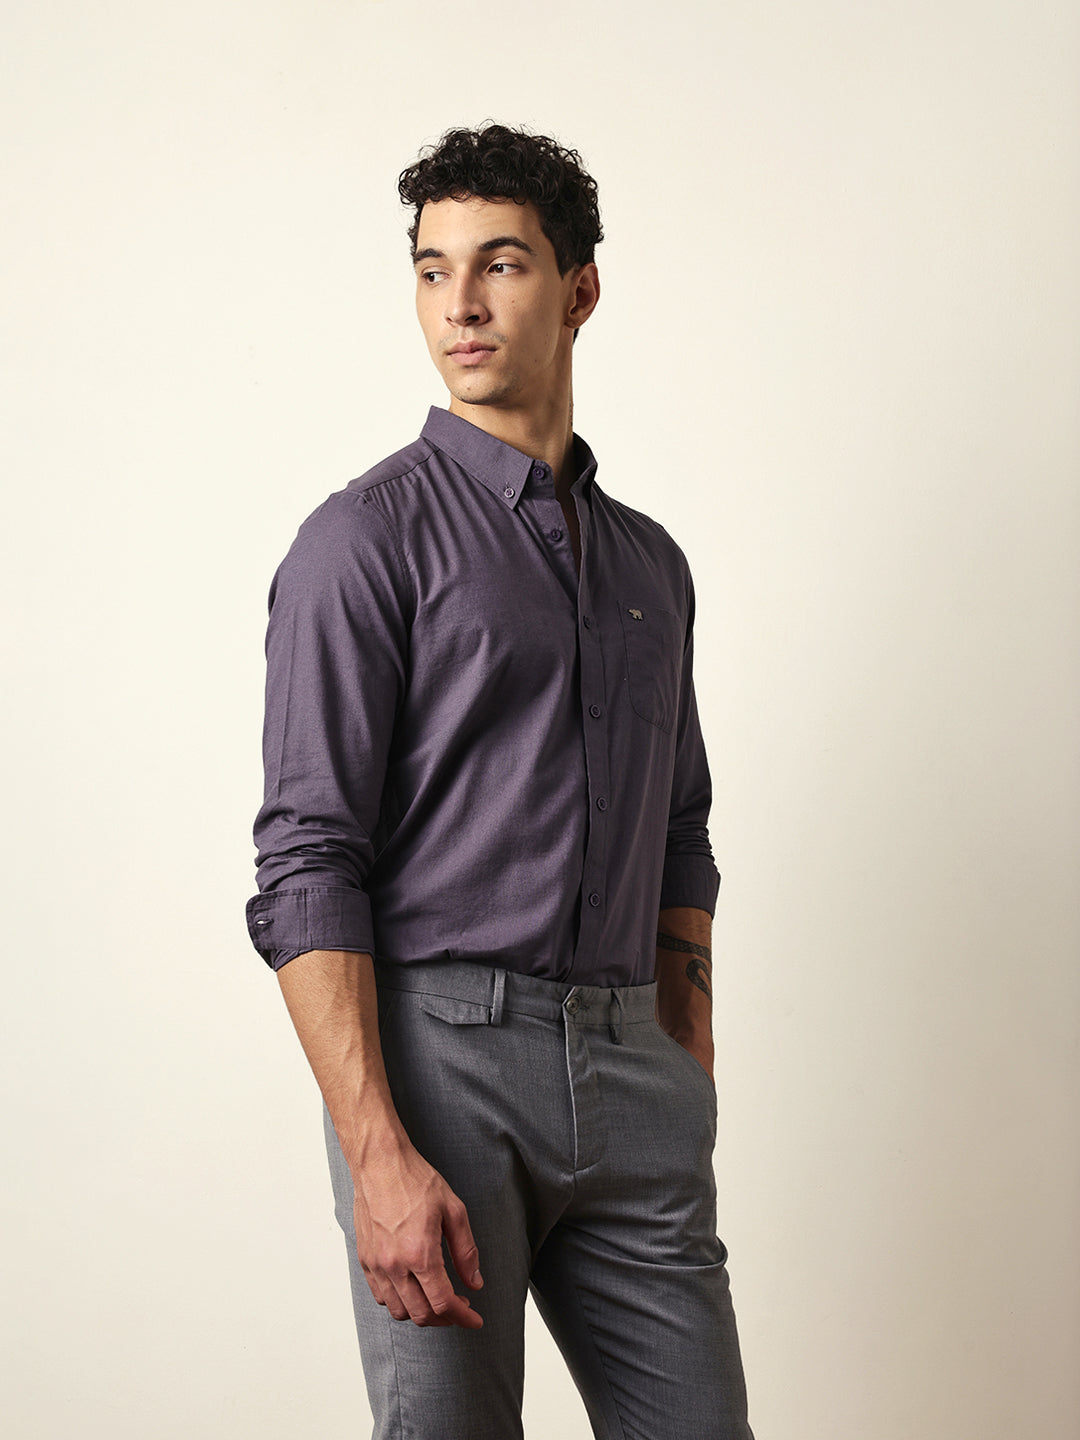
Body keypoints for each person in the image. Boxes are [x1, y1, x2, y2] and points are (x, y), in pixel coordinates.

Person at [246, 122, 754, 1440]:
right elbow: (306, 863)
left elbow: (681, 824)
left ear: (580, 290)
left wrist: (684, 1040)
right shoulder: (362, 544)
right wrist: (376, 1149)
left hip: (634, 1073)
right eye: (433, 270)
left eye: (502, 264)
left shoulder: (651, 568)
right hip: (442, 1072)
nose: (460, 304)